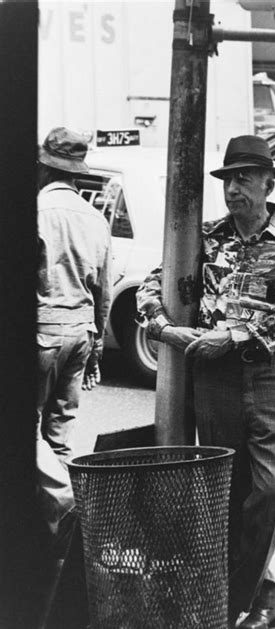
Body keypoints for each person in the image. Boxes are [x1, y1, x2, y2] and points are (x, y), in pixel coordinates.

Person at [136, 135, 275, 629]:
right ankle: (260, 595)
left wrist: (231, 337)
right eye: (228, 179)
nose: (234, 188)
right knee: (228, 494)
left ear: (267, 182)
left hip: (270, 379)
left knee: (271, 492)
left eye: (244, 178)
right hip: (214, 384)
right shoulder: (207, 237)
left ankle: (236, 595)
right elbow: (153, 283)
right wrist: (164, 327)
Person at [37, 126, 113, 547]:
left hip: (42, 328)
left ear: (44, 168)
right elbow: (104, 289)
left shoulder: (35, 211)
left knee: (26, 432)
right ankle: (61, 536)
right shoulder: (95, 218)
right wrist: (97, 342)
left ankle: (70, 512)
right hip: (81, 329)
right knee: (58, 434)